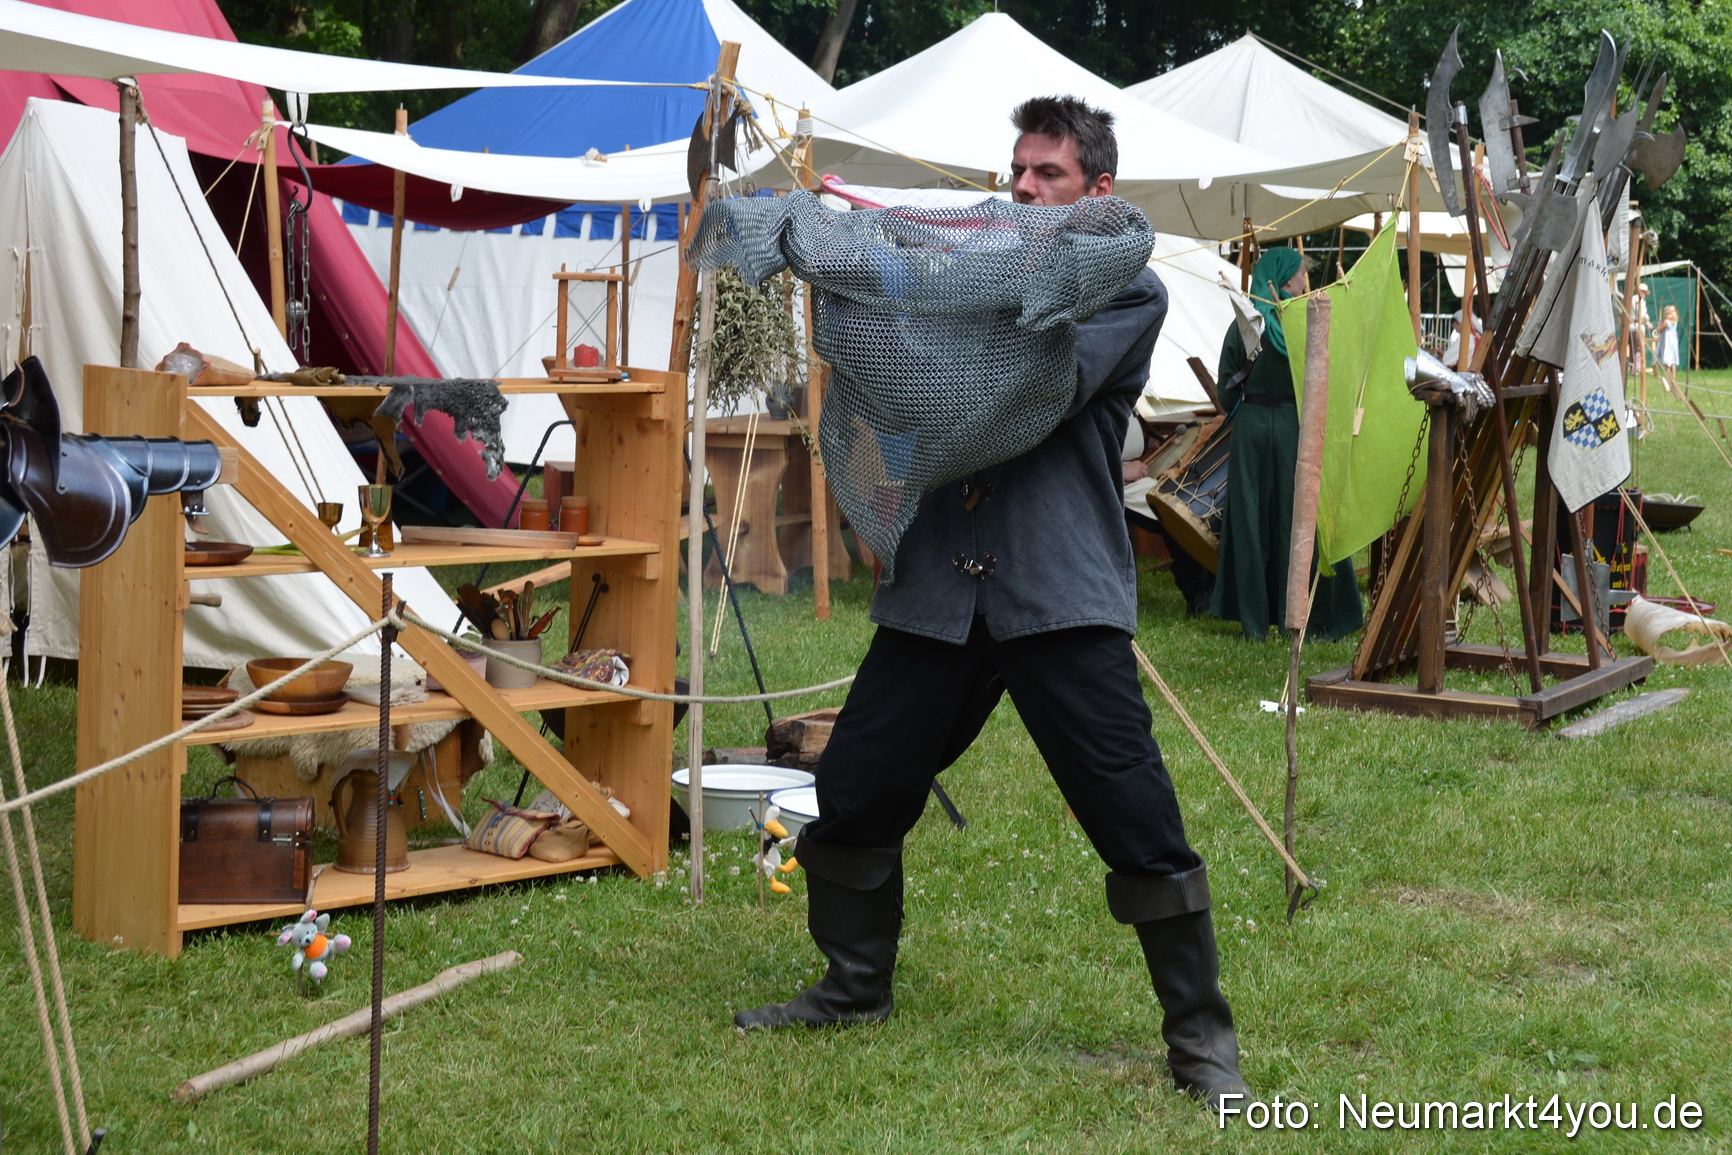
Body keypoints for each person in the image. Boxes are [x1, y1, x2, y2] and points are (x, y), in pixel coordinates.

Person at [732, 95, 1247, 1110]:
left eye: (1048, 174)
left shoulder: (1126, 289)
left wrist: (914, 288)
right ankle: (853, 986)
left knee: (1134, 811)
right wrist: (848, 256)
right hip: (936, 589)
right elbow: (900, 372)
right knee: (858, 787)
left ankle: (1200, 1040)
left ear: (1098, 191)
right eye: (1016, 171)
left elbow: (1005, 393)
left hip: (1056, 588)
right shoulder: (964, 271)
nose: (1023, 188)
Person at [1209, 248, 1362, 641]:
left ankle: (1255, 623)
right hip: (1297, 428)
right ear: (1280, 280)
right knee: (1301, 518)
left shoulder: (1243, 326)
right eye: (1299, 275)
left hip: (1252, 430)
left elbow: (1225, 393)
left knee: (1252, 520)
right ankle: (1305, 614)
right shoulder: (1307, 323)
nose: (1304, 282)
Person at [1122, 417, 1214, 616]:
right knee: (1177, 516)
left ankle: (1212, 588)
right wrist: (1120, 470)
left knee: (1190, 504)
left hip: (1132, 475)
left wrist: (1148, 443)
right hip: (1111, 482)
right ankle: (1198, 596)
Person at [1654, 303, 1680, 393]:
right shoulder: (1675, 322)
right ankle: (1674, 378)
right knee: (1673, 361)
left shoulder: (1666, 322)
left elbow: (1659, 329)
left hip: (1667, 342)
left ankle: (1668, 378)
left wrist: (1659, 324)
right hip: (1674, 342)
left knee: (1667, 360)